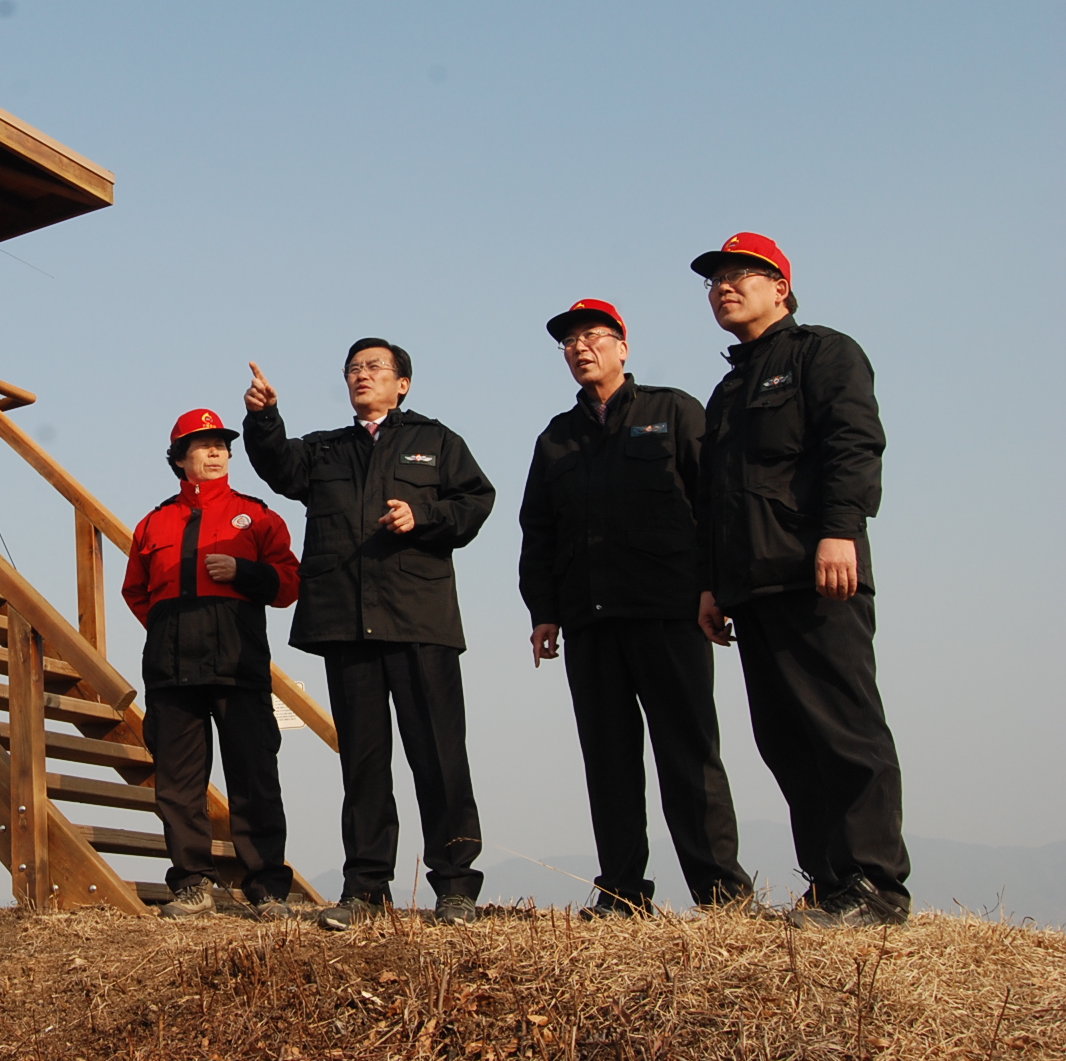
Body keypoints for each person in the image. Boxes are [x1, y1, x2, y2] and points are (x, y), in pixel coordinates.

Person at [692, 232, 909, 928]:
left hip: (820, 575)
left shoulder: (824, 352)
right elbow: (716, 499)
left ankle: (876, 884)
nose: (724, 286)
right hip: (752, 587)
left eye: (741, 275)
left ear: (781, 286)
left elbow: (853, 441)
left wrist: (840, 528)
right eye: (715, 279)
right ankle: (830, 880)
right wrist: (711, 584)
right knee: (785, 740)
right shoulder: (726, 391)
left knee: (844, 730)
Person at [242, 339, 495, 929]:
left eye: (374, 367)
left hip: (419, 620)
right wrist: (263, 418)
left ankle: (455, 885)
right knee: (363, 761)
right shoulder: (327, 449)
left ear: (402, 383)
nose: (361, 376)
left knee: (438, 756)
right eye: (353, 369)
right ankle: (364, 888)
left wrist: (423, 516)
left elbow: (477, 502)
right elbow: (279, 467)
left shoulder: (436, 442)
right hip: (346, 624)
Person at [519, 298, 753, 917]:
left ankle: (722, 894)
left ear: (624, 347)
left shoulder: (673, 411)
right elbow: (537, 530)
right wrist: (544, 611)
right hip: (589, 624)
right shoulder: (556, 437)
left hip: (669, 612)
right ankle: (621, 892)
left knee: (689, 751)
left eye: (595, 336)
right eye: (569, 341)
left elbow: (715, 504)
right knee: (609, 761)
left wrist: (714, 585)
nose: (581, 348)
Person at [123, 409, 302, 920]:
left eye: (222, 443)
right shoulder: (153, 523)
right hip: (169, 669)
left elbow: (289, 584)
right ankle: (192, 884)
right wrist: (170, 633)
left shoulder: (259, 515)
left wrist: (244, 573)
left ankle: (267, 888)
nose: (216, 451)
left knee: (254, 777)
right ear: (180, 459)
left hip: (239, 665)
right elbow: (136, 593)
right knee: (178, 784)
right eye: (202, 445)